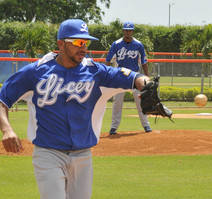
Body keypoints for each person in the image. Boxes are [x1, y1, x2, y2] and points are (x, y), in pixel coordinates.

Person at [0, 19, 150, 199]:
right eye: (78, 42)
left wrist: (145, 82)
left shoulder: (95, 71)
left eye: (86, 43)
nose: (83, 48)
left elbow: (131, 76)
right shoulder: (37, 71)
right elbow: (3, 98)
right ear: (61, 44)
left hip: (83, 155)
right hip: (48, 154)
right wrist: (7, 129)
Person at [105, 21, 152, 135]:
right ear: (123, 31)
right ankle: (114, 127)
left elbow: (144, 61)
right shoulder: (116, 44)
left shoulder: (138, 44)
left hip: (135, 76)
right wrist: (106, 75)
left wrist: (146, 76)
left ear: (132, 31)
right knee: (117, 103)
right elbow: (108, 61)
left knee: (140, 101)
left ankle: (146, 125)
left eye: (130, 30)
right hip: (120, 76)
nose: (128, 32)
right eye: (126, 30)